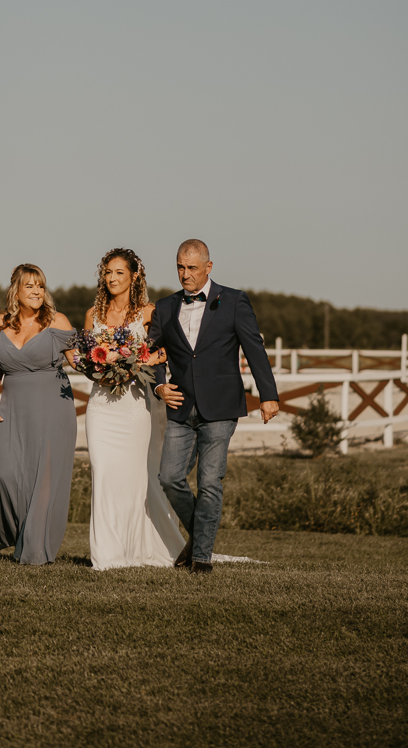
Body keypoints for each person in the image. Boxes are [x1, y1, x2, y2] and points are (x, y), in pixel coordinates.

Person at [151, 238, 279, 575]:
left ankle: (202, 558)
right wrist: (159, 385)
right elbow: (150, 356)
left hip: (221, 407)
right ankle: (202, 537)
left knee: (210, 482)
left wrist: (269, 395)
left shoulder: (234, 301)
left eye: (192, 267)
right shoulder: (164, 308)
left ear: (209, 267)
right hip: (180, 406)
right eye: (180, 266)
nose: (185, 274)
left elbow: (254, 348)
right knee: (169, 477)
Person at [70, 247, 185, 570]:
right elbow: (84, 359)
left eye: (119, 272)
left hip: (135, 403)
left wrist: (141, 361)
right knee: (103, 473)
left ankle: (138, 549)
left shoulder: (149, 313)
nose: (112, 278)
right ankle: (107, 555)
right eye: (107, 272)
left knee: (136, 477)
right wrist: (96, 368)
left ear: (134, 276)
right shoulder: (93, 316)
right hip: (101, 405)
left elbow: (166, 353)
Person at [0, 263, 77, 565]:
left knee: (43, 477)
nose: (36, 292)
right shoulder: (1, 323)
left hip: (53, 408)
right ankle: (16, 534)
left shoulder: (56, 321)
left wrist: (113, 360)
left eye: (40, 286)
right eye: (30, 286)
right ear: (16, 291)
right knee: (7, 473)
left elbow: (79, 361)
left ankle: (34, 548)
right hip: (12, 410)